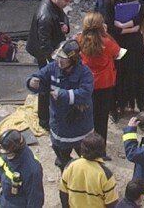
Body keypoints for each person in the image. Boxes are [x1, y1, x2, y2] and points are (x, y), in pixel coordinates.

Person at [26, 39, 95, 170]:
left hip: (80, 124)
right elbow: (39, 76)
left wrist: (62, 94)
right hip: (60, 124)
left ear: (73, 60)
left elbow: (85, 93)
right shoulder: (53, 68)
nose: (59, 61)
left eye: (63, 59)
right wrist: (32, 82)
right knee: (63, 160)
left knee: (87, 161)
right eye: (58, 57)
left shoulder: (85, 73)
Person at [101, 0, 144, 119]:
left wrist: (126, 25)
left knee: (137, 70)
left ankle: (140, 103)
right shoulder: (109, 0)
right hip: (118, 41)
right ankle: (115, 106)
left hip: (134, 41)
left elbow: (140, 15)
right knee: (119, 73)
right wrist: (127, 29)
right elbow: (110, 25)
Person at [28, 0, 73, 131]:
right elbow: (44, 44)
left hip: (52, 47)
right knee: (45, 85)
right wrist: (55, 63)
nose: (67, 4)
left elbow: (63, 16)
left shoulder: (54, 6)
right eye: (66, 1)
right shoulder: (45, 16)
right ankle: (44, 119)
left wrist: (66, 26)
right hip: (44, 53)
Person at [77, 13, 121, 154]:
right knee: (101, 119)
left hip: (87, 83)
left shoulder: (80, 40)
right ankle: (100, 150)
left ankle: (86, 146)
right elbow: (117, 51)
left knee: (87, 116)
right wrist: (106, 34)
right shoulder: (106, 43)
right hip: (104, 83)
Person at [59, 133, 118, 208]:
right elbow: (112, 203)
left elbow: (63, 193)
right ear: (102, 150)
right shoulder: (105, 175)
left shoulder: (71, 166)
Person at [0, 130, 44, 208]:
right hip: (4, 201)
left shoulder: (32, 170)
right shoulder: (4, 156)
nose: (4, 155)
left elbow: (35, 199)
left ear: (16, 150)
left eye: (6, 152)